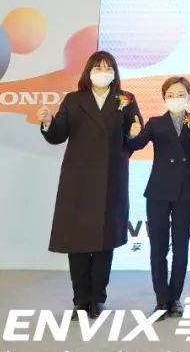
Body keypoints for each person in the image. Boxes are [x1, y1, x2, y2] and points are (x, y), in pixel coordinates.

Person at [37, 50, 143, 319]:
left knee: (104, 242)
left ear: (115, 73)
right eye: (98, 67)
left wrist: (134, 135)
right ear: (88, 71)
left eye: (108, 68)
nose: (103, 72)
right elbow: (58, 135)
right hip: (78, 180)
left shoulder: (126, 99)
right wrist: (48, 123)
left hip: (111, 178)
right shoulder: (74, 100)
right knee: (78, 242)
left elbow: (135, 139)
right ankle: (80, 300)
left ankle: (98, 299)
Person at [127, 77, 190, 320]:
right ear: (164, 98)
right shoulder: (155, 123)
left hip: (186, 191)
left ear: (189, 96)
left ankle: (175, 298)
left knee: (181, 248)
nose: (176, 98)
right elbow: (137, 145)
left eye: (181, 94)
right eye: (171, 95)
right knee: (158, 248)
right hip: (158, 192)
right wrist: (132, 135)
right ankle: (161, 300)